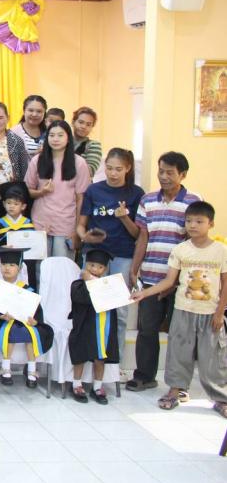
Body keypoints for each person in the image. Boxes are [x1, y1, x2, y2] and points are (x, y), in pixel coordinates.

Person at [131, 201, 227, 417]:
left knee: (213, 357)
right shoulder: (180, 250)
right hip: (183, 310)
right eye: (189, 221)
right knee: (178, 352)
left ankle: (221, 398)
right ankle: (175, 391)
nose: (193, 225)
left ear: (211, 224)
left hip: (210, 312)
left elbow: (225, 282)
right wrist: (145, 293)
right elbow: (169, 281)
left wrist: (220, 312)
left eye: (199, 221)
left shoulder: (221, 251)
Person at [126, 152, 202, 393]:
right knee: (147, 330)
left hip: (181, 283)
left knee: (181, 334)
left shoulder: (193, 201)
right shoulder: (147, 200)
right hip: (150, 277)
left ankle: (180, 384)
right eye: (161, 171)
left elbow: (194, 241)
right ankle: (144, 376)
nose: (164, 176)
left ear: (183, 174)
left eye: (170, 172)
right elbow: (143, 237)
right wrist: (135, 269)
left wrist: (175, 281)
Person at [77, 148, 143, 354]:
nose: (113, 173)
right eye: (109, 168)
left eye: (118, 169)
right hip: (95, 255)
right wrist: (85, 237)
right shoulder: (93, 190)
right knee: (91, 306)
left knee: (120, 310)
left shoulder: (136, 193)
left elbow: (137, 234)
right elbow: (81, 226)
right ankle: (91, 356)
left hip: (122, 255)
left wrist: (124, 217)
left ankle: (116, 360)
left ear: (128, 168)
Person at [0, 247, 54, 388]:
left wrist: (35, 321)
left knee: (32, 333)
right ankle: (6, 369)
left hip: (24, 323)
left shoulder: (26, 289)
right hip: (3, 322)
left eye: (12, 265)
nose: (7, 268)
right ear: (0, 267)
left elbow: (36, 310)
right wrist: (0, 316)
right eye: (4, 264)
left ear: (19, 268)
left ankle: (31, 371)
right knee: (11, 331)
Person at [24, 120, 91, 259]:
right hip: (40, 223)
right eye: (52, 135)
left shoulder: (79, 163)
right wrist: (42, 192)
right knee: (41, 267)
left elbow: (81, 199)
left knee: (62, 266)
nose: (55, 139)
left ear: (68, 138)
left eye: (60, 135)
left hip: (66, 225)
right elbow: (27, 191)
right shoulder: (37, 160)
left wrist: (78, 229)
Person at [68, 248, 120, 404]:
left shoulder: (108, 284)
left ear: (105, 269)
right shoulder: (78, 284)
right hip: (85, 327)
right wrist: (88, 281)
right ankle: (76, 384)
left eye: (100, 267)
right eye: (91, 265)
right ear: (85, 265)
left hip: (103, 327)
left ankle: (97, 386)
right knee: (81, 355)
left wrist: (92, 280)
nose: (95, 269)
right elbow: (82, 299)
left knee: (100, 358)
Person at [71, 106, 103, 176]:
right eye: (81, 122)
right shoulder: (63, 141)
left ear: (92, 127)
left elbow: (90, 171)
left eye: (88, 124)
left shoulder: (94, 145)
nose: (84, 127)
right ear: (73, 122)